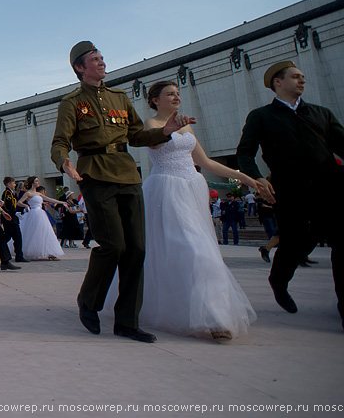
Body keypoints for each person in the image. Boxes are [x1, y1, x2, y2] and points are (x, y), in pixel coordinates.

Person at [50, 40, 193, 343]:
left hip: (127, 174)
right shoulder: (72, 101)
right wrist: (65, 163)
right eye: (95, 59)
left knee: (137, 248)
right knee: (113, 245)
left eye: (102, 58)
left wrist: (166, 131)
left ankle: (127, 321)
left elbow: (138, 135)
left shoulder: (119, 97)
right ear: (80, 67)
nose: (102, 63)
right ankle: (88, 301)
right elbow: (60, 140)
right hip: (96, 174)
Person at [139, 81, 257, 339]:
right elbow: (156, 145)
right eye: (170, 94)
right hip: (167, 189)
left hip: (193, 187)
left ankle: (217, 315)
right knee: (194, 250)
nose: (176, 97)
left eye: (178, 94)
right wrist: (170, 129)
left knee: (203, 248)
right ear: (156, 100)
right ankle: (214, 317)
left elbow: (204, 161)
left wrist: (244, 177)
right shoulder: (151, 124)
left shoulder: (187, 126)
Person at [237, 61, 344, 328]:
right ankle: (279, 280)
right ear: (278, 82)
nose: (302, 81)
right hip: (289, 191)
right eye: (295, 77)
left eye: (303, 77)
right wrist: (257, 178)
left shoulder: (321, 114)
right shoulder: (262, 116)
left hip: (330, 190)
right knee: (297, 243)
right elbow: (244, 153)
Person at [16, 176, 66, 260]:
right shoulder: (28, 193)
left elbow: (49, 199)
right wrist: (25, 205)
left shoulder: (39, 194)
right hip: (33, 214)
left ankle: (51, 253)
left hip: (41, 214)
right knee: (33, 233)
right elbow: (19, 202)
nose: (38, 182)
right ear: (32, 183)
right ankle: (31, 252)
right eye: (36, 181)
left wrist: (62, 202)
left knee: (46, 232)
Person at [0, 177, 28, 262]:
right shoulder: (7, 193)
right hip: (10, 219)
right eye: (13, 183)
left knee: (11, 237)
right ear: (9, 184)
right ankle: (19, 255)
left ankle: (19, 255)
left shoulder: (11, 193)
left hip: (12, 219)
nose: (15, 185)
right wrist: (16, 212)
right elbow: (9, 206)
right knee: (14, 237)